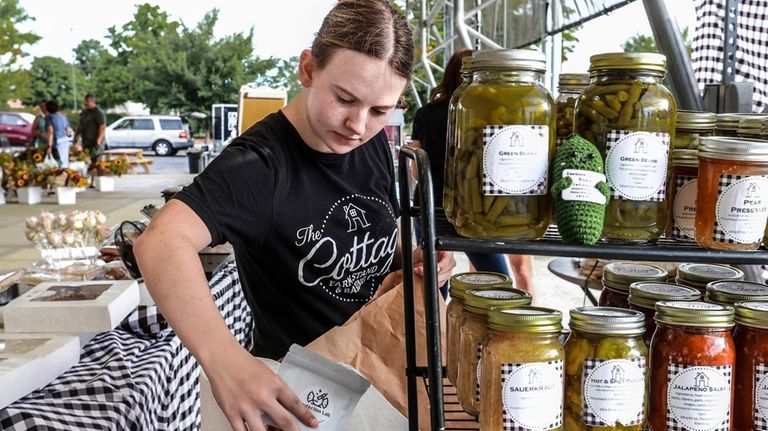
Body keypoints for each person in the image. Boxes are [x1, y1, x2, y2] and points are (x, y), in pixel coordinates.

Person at [134, 2, 455, 430]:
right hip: (305, 396)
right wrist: (225, 360)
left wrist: (412, 257)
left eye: (380, 111)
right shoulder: (260, 166)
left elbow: (376, 230)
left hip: (383, 368)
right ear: (307, 69)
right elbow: (160, 240)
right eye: (344, 99)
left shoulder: (371, 143)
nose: (358, 125)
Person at [409, 49, 535, 297]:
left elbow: (415, 169)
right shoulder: (490, 114)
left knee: (434, 278)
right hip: (474, 206)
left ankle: (438, 331)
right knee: (496, 278)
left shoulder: (425, 113)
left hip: (429, 202)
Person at [73, 93, 106, 163]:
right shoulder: (84, 112)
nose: (85, 103)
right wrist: (76, 137)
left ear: (92, 101)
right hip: (86, 143)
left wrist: (98, 142)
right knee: (85, 162)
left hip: (95, 144)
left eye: (87, 101)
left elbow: (102, 127)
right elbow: (79, 125)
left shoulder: (98, 112)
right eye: (85, 101)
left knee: (95, 163)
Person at [45, 100, 71, 168]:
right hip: (66, 140)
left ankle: (60, 177)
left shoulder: (49, 118)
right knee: (65, 162)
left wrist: (49, 146)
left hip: (57, 141)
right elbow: (68, 131)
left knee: (59, 162)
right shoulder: (63, 117)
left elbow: (50, 132)